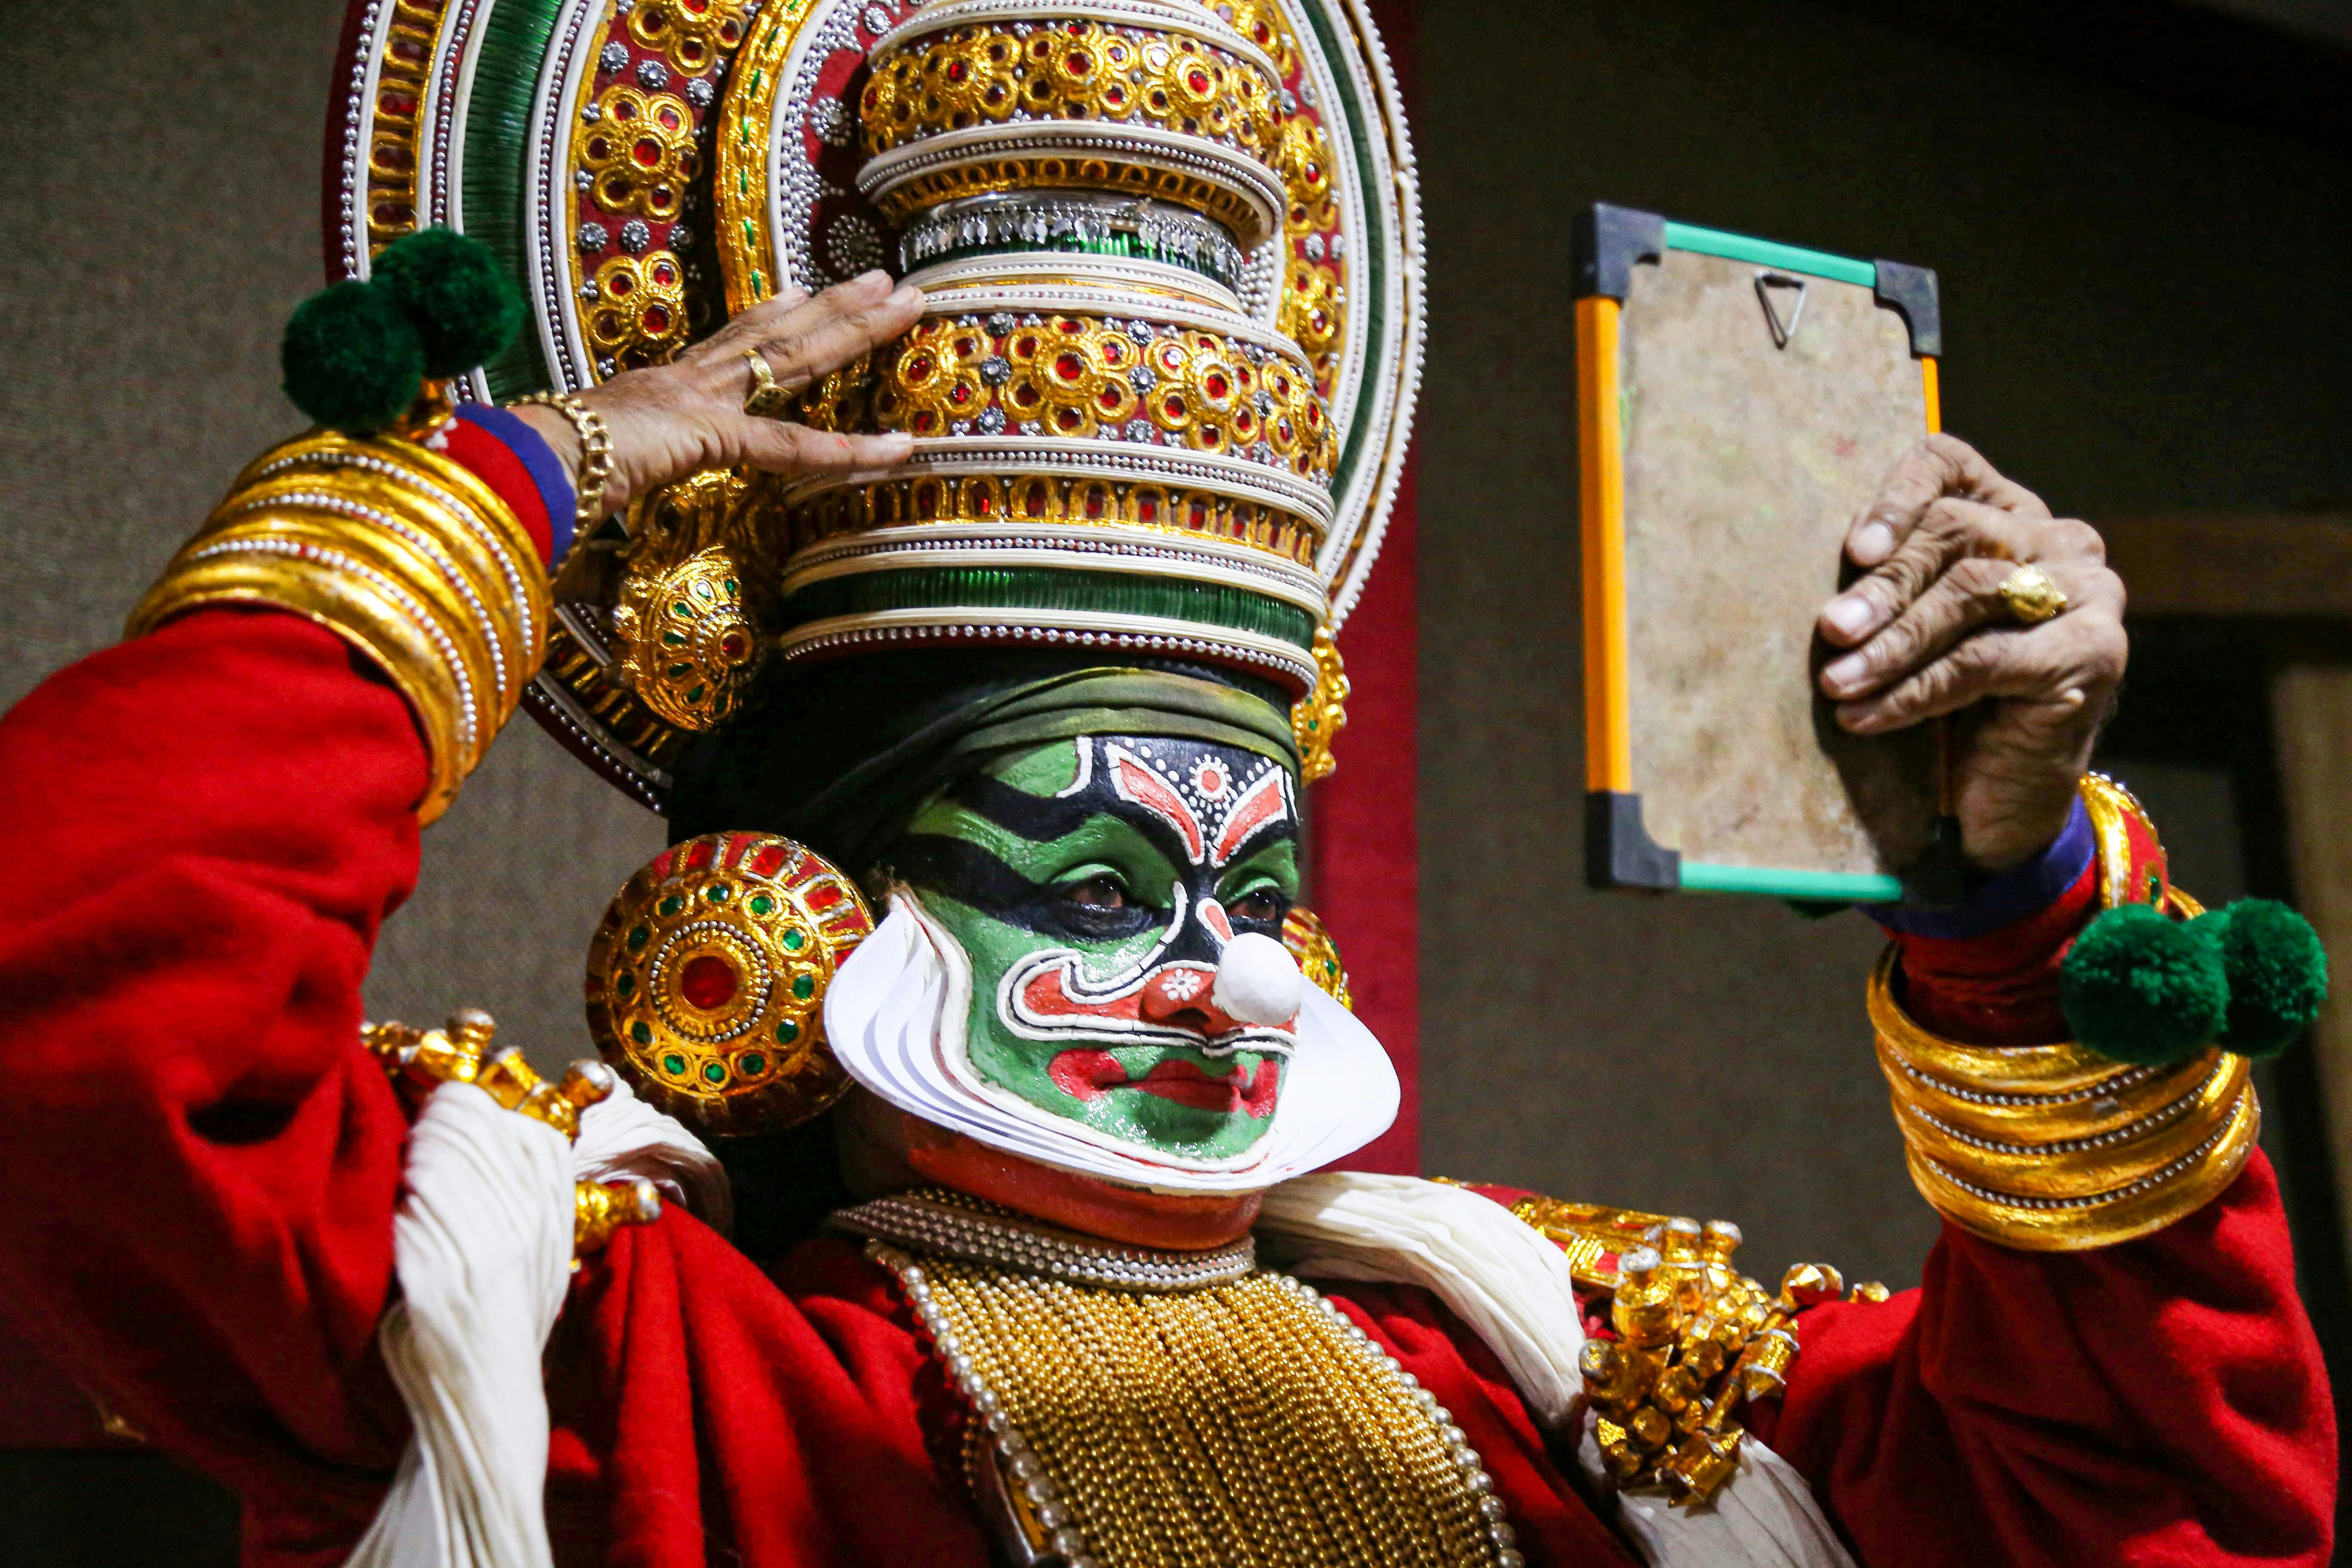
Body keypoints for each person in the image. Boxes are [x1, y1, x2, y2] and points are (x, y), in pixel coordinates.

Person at [0, 0, 2332, 1556]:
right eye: (1105, 891)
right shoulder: (625, 1374)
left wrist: (2011, 899)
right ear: (799, 925)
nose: (1235, 981)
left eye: (1259, 897)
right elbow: (78, 988)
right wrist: (518, 486)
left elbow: (2156, 1510)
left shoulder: (1583, 1385)